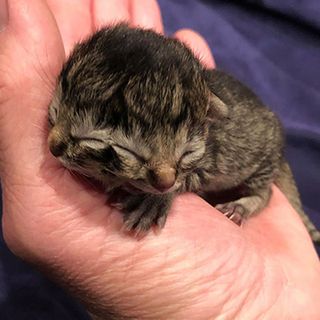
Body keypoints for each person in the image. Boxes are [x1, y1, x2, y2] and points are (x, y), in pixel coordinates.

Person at [0, 0, 319, 319]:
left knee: (259, 147)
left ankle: (258, 198)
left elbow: (173, 174)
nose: (166, 180)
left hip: (257, 149)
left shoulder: (203, 131)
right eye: (55, 113)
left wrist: (163, 197)